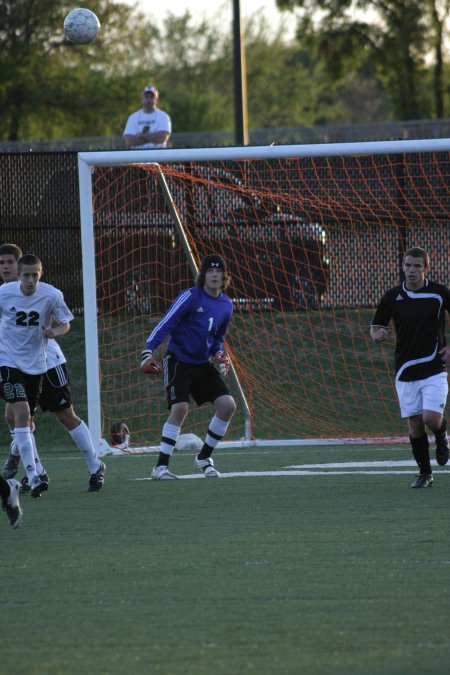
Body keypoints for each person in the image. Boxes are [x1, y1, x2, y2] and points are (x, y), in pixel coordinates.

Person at [0, 244, 106, 492]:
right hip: (15, 363)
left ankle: (94, 465)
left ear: (26, 267)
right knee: (15, 415)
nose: (5, 267)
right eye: (1, 263)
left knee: (64, 415)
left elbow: (64, 322)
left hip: (47, 363)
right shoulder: (4, 294)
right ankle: (36, 472)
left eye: (9, 262)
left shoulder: (48, 294)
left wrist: (53, 331)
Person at [140, 254, 236, 479]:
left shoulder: (226, 305)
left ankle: (204, 458)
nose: (214, 275)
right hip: (178, 361)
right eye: (210, 271)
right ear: (203, 275)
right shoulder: (190, 297)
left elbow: (217, 339)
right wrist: (148, 350)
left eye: (218, 271)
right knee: (180, 408)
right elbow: (166, 322)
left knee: (227, 405)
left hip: (202, 364)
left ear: (224, 277)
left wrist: (220, 354)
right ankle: (160, 467)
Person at [370, 246, 450, 488]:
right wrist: (378, 333)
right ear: (402, 267)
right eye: (408, 265)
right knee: (415, 422)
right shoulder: (392, 296)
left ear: (426, 268)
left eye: (417, 266)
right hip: (405, 369)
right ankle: (425, 473)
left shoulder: (439, 293)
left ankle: (441, 433)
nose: (412, 270)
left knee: (430, 417)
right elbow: (376, 325)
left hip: (434, 366)